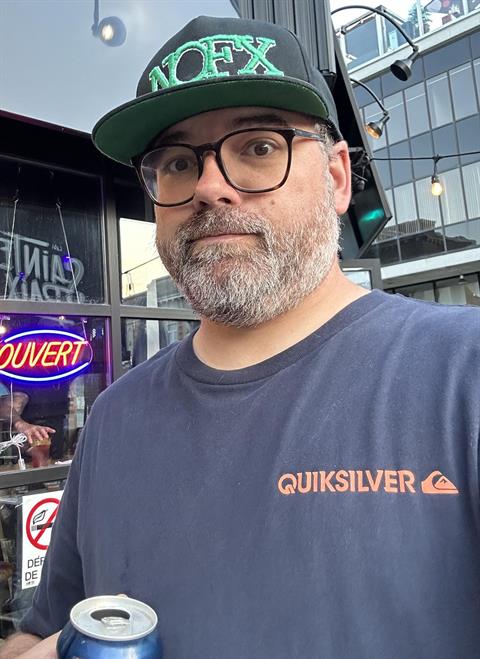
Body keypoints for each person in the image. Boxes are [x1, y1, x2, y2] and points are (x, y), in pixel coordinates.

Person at [2, 14, 480, 659]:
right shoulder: (114, 417)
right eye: (177, 162)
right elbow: (44, 631)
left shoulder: (463, 375)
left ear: (338, 177)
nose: (208, 187)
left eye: (258, 147)